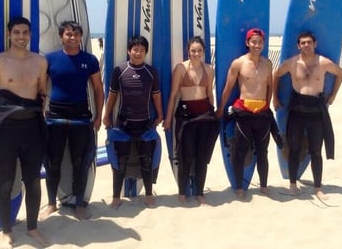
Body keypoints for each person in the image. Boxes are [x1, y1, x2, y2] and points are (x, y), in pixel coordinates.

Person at [0, 16, 49, 248]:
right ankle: (6, 231)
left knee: (33, 181)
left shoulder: (40, 62)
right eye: (17, 33)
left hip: (32, 128)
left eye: (25, 32)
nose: (21, 37)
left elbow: (42, 91)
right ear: (9, 34)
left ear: (30, 34)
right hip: (6, 131)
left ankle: (32, 227)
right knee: (5, 182)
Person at [39, 21, 104, 220]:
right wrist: (41, 114)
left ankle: (79, 204)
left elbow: (98, 89)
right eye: (68, 34)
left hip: (81, 118)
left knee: (79, 162)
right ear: (61, 36)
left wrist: (99, 116)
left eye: (76, 34)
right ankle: (51, 203)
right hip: (55, 118)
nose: (73, 38)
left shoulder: (89, 60)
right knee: (53, 162)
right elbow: (42, 88)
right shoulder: (50, 59)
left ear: (80, 37)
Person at [272, 31, 342, 200]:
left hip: (316, 112)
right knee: (294, 148)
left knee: (316, 151)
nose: (306, 45)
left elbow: (340, 73)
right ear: (298, 45)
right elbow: (276, 75)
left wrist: (333, 95)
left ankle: (318, 187)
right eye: (303, 43)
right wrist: (275, 97)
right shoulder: (291, 63)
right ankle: (292, 185)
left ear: (315, 43)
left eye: (309, 42)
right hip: (297, 110)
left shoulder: (323, 62)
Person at [216, 28, 281, 199]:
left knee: (263, 151)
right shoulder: (238, 63)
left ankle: (264, 186)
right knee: (240, 151)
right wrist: (221, 108)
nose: (257, 45)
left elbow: (269, 87)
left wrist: (267, 106)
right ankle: (239, 188)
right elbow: (228, 88)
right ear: (247, 43)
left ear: (263, 43)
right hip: (244, 112)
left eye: (260, 42)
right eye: (253, 41)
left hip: (262, 113)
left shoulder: (268, 64)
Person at [102, 35, 164, 209]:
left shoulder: (151, 73)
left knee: (146, 160)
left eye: (142, 50)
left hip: (144, 123)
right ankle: (116, 197)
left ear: (146, 52)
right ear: (129, 51)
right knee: (120, 161)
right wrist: (107, 115)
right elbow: (112, 95)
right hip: (123, 124)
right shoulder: (119, 70)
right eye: (135, 49)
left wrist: (159, 114)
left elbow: (156, 96)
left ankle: (149, 195)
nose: (138, 53)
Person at [163, 36, 219, 206]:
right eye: (193, 50)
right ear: (188, 51)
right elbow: (173, 95)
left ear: (204, 51)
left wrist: (213, 113)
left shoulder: (209, 69)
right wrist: (168, 118)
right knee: (186, 155)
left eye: (200, 50)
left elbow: (209, 93)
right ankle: (182, 193)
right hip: (186, 117)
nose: (196, 53)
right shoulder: (180, 68)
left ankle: (200, 192)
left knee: (202, 155)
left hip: (204, 116)